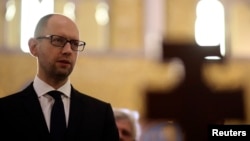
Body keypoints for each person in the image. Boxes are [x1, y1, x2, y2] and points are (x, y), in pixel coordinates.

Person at [0, 13, 119, 141]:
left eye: (74, 44)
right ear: (34, 47)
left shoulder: (100, 114)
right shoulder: (4, 111)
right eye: (58, 40)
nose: (68, 50)